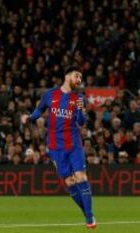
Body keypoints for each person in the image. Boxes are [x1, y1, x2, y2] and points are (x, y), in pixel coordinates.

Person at [22, 66, 96, 229]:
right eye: (77, 76)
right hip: (55, 146)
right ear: (67, 76)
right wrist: (30, 117)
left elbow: (82, 122)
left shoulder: (79, 98)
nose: (79, 80)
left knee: (81, 177)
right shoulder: (50, 94)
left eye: (80, 78)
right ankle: (86, 212)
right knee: (69, 181)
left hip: (74, 144)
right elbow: (39, 110)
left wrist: (80, 109)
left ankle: (90, 217)